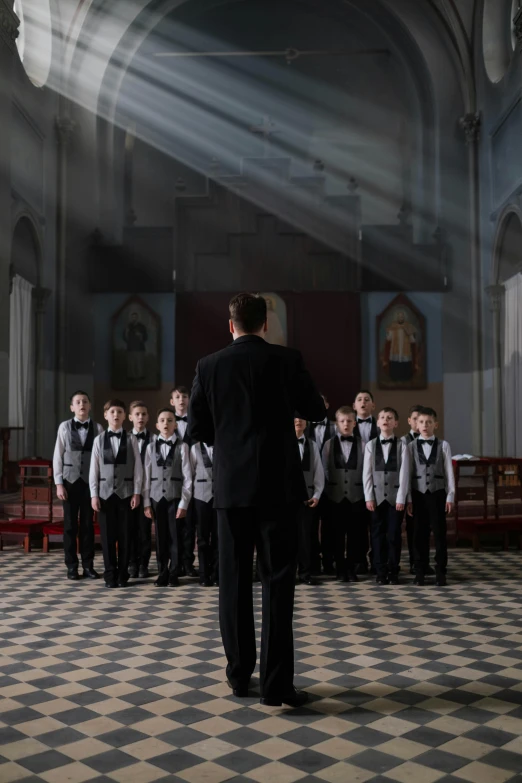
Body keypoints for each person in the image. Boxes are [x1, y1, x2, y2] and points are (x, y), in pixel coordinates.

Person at [188, 292, 325, 707]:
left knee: (232, 582)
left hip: (231, 489)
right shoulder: (287, 360)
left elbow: (195, 429)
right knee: (278, 583)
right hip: (279, 488)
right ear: (266, 324)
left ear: (230, 326)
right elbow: (315, 411)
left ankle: (238, 675)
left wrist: (228, 444)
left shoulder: (208, 366)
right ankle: (277, 686)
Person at [89, 400, 142, 588]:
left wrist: (137, 492)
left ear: (124, 415)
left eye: (120, 411)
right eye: (112, 411)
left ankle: (122, 574)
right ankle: (110, 574)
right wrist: (94, 495)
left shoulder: (131, 439)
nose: (116, 415)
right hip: (104, 495)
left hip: (126, 494)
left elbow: (138, 468)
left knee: (125, 536)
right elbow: (93, 470)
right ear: (105, 415)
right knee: (107, 537)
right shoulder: (98, 440)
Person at [53, 391, 104, 581]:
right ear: (72, 407)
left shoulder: (98, 428)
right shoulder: (64, 427)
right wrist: (59, 484)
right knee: (69, 526)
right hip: (70, 483)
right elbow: (58, 456)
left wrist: (98, 486)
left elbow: (99, 460)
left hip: (89, 485)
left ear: (90, 406)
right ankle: (72, 566)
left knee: (87, 526)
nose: (82, 404)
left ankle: (88, 566)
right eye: (78, 402)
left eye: (85, 401)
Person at [143, 408, 192, 587]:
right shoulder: (150, 447)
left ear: (175, 424)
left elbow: (188, 477)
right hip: (157, 498)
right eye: (162, 420)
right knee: (160, 537)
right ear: (157, 425)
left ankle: (174, 572)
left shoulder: (183, 446)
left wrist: (184, 503)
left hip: (175, 498)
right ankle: (162, 571)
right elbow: (146, 477)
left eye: (170, 420)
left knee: (175, 537)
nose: (166, 423)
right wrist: (147, 503)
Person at [407, 406, 455, 587]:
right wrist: (409, 499)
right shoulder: (411, 446)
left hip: (437, 494)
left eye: (428, 422)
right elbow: (408, 474)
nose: (425, 425)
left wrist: (450, 496)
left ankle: (440, 571)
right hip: (418, 495)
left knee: (440, 534)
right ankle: (419, 571)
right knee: (419, 534)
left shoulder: (444, 445)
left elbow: (449, 473)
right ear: (416, 425)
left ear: (436, 424)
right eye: (421, 422)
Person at [364, 408, 410, 585]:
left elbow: (404, 473)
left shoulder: (402, 445)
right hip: (375, 499)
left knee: (393, 535)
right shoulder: (370, 445)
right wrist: (369, 497)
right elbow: (366, 474)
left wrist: (401, 498)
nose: (385, 420)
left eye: (390, 418)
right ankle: (380, 570)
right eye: (382, 417)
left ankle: (393, 569)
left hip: (394, 500)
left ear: (395, 423)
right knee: (376, 534)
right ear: (377, 422)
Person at [322, 407, 365, 583]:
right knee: (336, 535)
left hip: (356, 496)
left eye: (349, 421)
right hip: (335, 496)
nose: (346, 424)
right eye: (342, 421)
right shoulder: (328, 444)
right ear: (336, 423)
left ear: (354, 423)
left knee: (355, 536)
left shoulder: (363, 444)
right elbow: (324, 470)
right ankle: (340, 568)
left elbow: (365, 470)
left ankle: (351, 568)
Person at [401, 404, 434, 576]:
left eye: (421, 420)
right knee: (413, 529)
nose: (418, 423)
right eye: (415, 419)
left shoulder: (431, 440)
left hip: (427, 491)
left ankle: (424, 562)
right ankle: (414, 562)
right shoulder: (403, 441)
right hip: (409, 491)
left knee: (425, 528)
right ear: (410, 421)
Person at [306, 393, 336, 575]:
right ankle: (311, 564)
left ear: (327, 405)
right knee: (308, 528)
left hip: (332, 484)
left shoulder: (335, 427)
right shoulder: (300, 425)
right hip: (309, 486)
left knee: (329, 527)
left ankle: (329, 561)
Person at [170, 384, 197, 578]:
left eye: (185, 396)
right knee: (174, 525)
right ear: (172, 401)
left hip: (193, 479)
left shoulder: (196, 422)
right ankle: (175, 563)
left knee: (190, 525)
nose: (181, 400)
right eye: (178, 397)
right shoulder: (166, 422)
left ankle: (188, 563)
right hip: (172, 480)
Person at [294, 416, 324, 587]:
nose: (298, 421)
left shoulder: (312, 445)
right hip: (287, 501)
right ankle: (289, 572)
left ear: (307, 423)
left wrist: (317, 494)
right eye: (295, 418)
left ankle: (305, 572)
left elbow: (318, 472)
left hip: (307, 499)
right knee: (287, 538)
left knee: (306, 537)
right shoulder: (281, 443)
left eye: (302, 418)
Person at [353, 389, 379, 574]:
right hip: (353, 483)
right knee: (357, 525)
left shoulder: (381, 426)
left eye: (367, 399)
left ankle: (377, 561)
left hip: (377, 483)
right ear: (354, 405)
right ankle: (359, 561)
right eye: (360, 399)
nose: (363, 402)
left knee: (376, 524)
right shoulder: (344, 425)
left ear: (373, 405)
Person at [128, 401, 153, 578]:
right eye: (137, 414)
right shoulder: (125, 439)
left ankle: (144, 563)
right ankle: (132, 562)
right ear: (130, 417)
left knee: (145, 530)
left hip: (148, 491)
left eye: (144, 414)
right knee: (130, 529)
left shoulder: (154, 439)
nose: (141, 417)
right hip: (129, 491)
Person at [190, 440, 218, 586]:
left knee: (218, 537)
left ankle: (216, 572)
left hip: (220, 498)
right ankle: (203, 574)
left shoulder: (222, 444)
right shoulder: (194, 448)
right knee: (202, 538)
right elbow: (191, 473)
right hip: (201, 498)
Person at [383, 309, 417, 383]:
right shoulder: (393, 327)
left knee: (405, 364)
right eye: (399, 317)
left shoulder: (408, 326)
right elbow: (389, 338)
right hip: (395, 350)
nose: (400, 318)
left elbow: (412, 340)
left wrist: (410, 335)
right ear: (397, 318)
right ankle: (395, 377)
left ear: (404, 318)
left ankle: (406, 378)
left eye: (402, 317)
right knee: (396, 363)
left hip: (406, 350)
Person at [123, 311, 148, 381]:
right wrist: (126, 332)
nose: (134, 318)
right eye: (133, 317)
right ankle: (131, 377)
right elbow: (124, 338)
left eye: (135, 317)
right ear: (131, 318)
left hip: (140, 348)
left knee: (139, 363)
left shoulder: (142, 327)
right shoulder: (128, 326)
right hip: (130, 348)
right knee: (131, 363)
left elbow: (146, 337)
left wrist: (141, 336)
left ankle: (140, 376)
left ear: (137, 317)